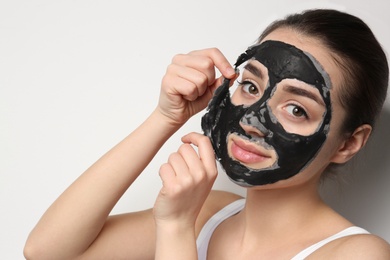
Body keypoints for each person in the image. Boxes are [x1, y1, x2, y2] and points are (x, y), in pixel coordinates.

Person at [24, 9, 390, 259]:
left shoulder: (357, 253)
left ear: (348, 143)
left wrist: (176, 228)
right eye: (250, 86)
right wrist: (165, 117)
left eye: (297, 109)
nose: (251, 120)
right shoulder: (210, 213)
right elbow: (48, 251)